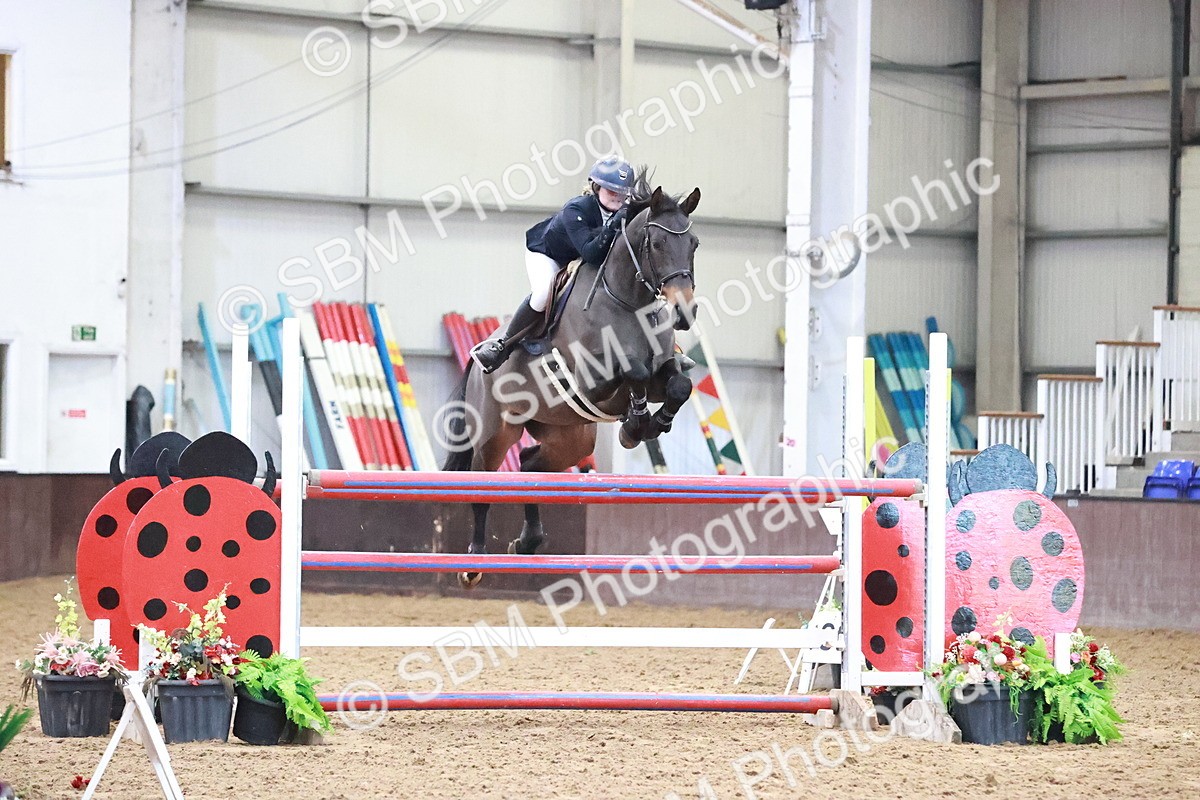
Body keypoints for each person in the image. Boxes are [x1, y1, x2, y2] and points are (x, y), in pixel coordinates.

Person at [470, 156, 635, 373]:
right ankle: (503, 345)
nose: (618, 197)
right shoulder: (576, 209)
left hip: (582, 259)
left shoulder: (624, 212)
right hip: (550, 255)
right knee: (543, 293)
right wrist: (615, 223)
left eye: (623, 193)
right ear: (596, 187)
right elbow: (591, 253)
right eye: (612, 191)